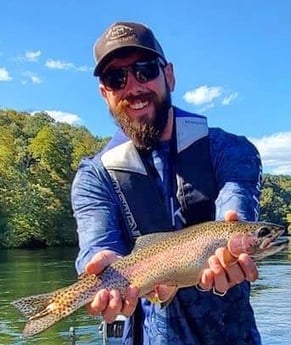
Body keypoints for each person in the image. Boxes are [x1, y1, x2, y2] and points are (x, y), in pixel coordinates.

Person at [71, 21, 263, 345]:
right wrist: (99, 260)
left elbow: (237, 199)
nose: (133, 87)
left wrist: (235, 227)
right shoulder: (94, 176)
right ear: (105, 94)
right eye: (116, 78)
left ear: (169, 75)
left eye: (144, 70)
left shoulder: (229, 150)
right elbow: (97, 242)